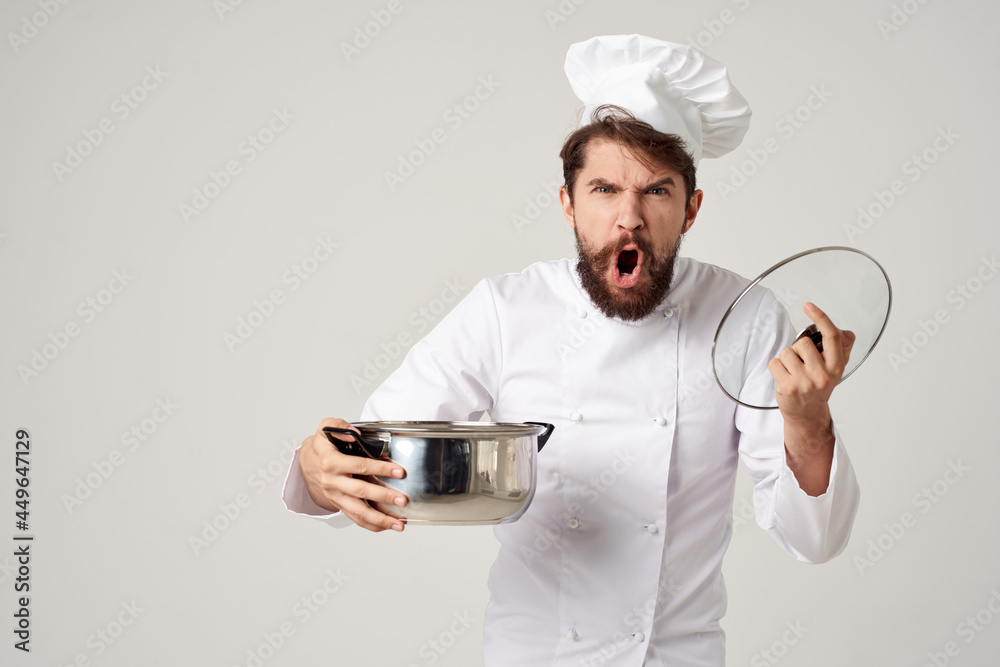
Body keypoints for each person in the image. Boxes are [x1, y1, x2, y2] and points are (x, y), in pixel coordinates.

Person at [282, 34, 860, 666]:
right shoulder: (504, 311)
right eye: (605, 190)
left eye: (657, 191)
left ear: (691, 209)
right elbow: (378, 449)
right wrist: (320, 469)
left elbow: (816, 540)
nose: (630, 218)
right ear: (569, 204)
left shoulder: (744, 317)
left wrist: (809, 425)